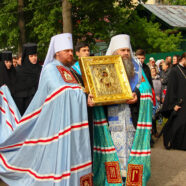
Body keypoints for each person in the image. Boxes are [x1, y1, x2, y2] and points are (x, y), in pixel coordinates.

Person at [0, 33, 92, 185]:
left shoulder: (69, 70)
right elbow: (60, 92)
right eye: (67, 51)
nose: (71, 54)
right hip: (57, 125)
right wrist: (83, 93)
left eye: (71, 50)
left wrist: (85, 94)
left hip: (71, 124)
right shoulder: (50, 69)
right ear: (57, 52)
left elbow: (73, 90)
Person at [106, 34, 152, 185]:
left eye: (127, 50)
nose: (126, 53)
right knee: (114, 156)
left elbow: (147, 90)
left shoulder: (137, 69)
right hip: (112, 122)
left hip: (133, 120)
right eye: (122, 50)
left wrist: (138, 95)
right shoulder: (105, 68)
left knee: (132, 154)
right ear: (114, 52)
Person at [161, 52, 186, 150]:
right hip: (179, 102)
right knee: (179, 124)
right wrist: (173, 105)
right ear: (183, 58)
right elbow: (171, 89)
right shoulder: (175, 71)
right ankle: (175, 143)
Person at [14, 43, 41, 115]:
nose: (34, 58)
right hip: (22, 103)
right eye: (31, 56)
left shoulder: (41, 69)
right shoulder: (18, 71)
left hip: (39, 102)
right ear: (26, 57)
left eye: (35, 55)